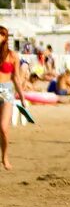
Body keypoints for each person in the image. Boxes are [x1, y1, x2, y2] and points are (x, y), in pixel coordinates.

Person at [0, 26, 28, 170]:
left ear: (5, 38)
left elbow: (16, 78)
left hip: (6, 91)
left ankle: (4, 156)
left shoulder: (12, 56)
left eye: (1, 35)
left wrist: (22, 96)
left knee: (4, 128)